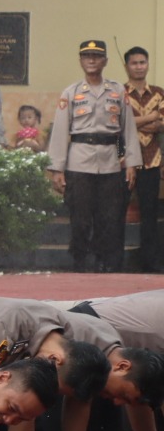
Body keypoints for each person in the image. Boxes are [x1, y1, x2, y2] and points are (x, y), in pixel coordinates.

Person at [50, 39, 140, 273]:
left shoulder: (118, 91)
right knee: (80, 218)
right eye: (87, 56)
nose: (92, 60)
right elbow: (60, 132)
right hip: (79, 162)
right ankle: (81, 260)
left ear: (105, 61)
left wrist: (131, 163)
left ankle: (104, 262)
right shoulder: (71, 92)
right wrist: (57, 169)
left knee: (108, 218)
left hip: (110, 162)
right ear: (80, 61)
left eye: (97, 56)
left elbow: (128, 129)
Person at [128, 48, 164, 272]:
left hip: (152, 161)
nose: (139, 66)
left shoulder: (160, 93)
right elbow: (119, 127)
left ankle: (150, 264)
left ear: (148, 64)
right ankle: (113, 262)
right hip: (124, 162)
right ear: (127, 66)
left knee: (150, 215)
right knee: (115, 214)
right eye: (134, 63)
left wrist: (136, 122)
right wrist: (152, 118)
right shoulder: (119, 93)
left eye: (142, 62)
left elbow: (162, 125)